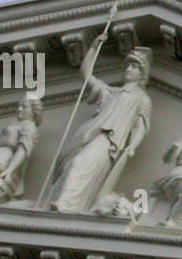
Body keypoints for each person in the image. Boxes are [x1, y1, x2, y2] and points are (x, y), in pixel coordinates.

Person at [46, 43, 152, 213]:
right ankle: (61, 203)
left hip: (109, 140)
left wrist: (132, 146)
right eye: (127, 65)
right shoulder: (109, 91)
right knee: (70, 164)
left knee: (79, 164)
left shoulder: (142, 98)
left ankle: (65, 205)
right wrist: (93, 47)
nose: (128, 69)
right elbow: (86, 74)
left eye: (134, 66)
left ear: (142, 74)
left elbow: (140, 126)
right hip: (87, 134)